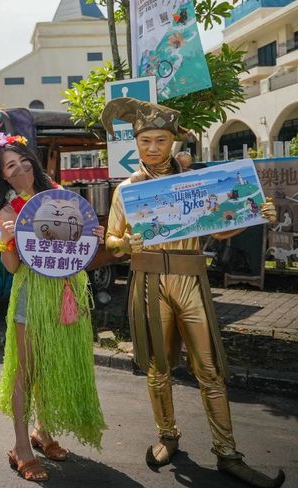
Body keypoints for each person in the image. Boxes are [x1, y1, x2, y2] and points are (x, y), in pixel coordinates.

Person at [102, 97, 285, 488]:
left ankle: (228, 453)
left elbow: (220, 228)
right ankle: (167, 435)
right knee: (157, 369)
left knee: (210, 369)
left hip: (190, 280)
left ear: (173, 143)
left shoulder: (193, 184)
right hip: (149, 283)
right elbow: (111, 240)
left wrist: (256, 215)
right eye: (146, 140)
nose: (153, 148)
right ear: (136, 143)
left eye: (161, 140)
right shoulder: (127, 190)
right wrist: (127, 245)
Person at [0, 133, 106, 482]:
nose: (21, 168)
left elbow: (81, 247)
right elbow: (11, 267)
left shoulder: (60, 196)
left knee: (54, 363)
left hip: (67, 291)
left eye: (24, 160)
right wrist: (7, 238)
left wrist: (93, 235)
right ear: (3, 175)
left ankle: (44, 431)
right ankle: (21, 447)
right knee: (26, 369)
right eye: (11, 165)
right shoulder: (8, 210)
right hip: (32, 295)